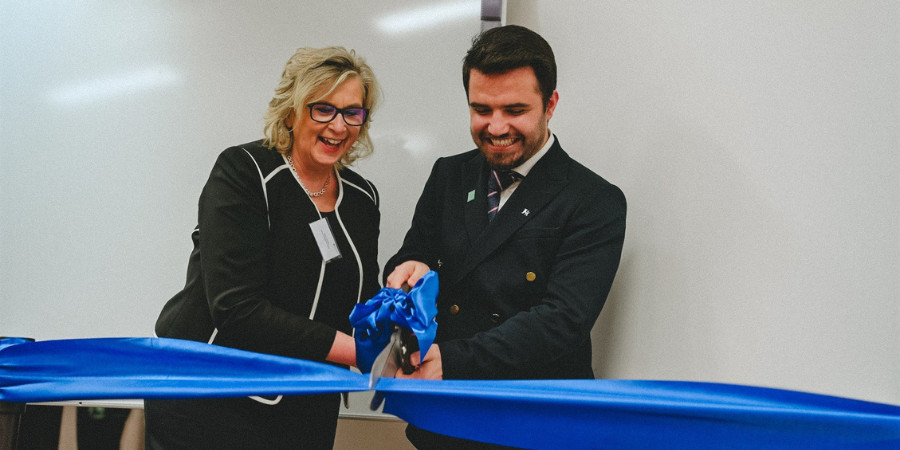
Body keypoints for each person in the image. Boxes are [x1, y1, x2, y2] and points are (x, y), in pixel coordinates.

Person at [385, 25, 627, 449]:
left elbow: (562, 321)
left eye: (514, 109)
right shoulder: (449, 173)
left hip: (533, 420)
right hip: (446, 416)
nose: (496, 127)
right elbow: (417, 250)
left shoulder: (595, 200)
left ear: (550, 104)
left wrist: (453, 360)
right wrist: (408, 268)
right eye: (481, 109)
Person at [144, 46, 382, 450]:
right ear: (291, 112)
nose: (338, 126)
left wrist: (396, 334)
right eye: (322, 109)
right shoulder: (244, 172)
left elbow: (363, 299)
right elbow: (236, 307)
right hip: (212, 398)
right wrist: (355, 352)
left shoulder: (362, 197)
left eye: (352, 112)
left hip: (308, 405)